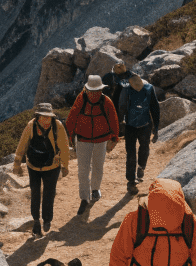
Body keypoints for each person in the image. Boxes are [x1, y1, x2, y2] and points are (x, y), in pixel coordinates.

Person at [65, 74, 119, 218]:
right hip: (83, 140)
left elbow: (114, 119)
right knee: (83, 170)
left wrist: (114, 136)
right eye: (92, 91)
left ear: (101, 90)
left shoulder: (106, 101)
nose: (95, 94)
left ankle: (95, 189)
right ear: (87, 90)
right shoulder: (81, 100)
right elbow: (71, 118)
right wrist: (71, 135)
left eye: (97, 91)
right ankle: (84, 197)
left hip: (101, 140)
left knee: (98, 166)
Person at [13, 102, 70, 236]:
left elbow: (64, 147)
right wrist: (17, 164)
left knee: (49, 193)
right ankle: (37, 221)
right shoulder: (31, 125)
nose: (46, 120)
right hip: (33, 167)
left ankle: (46, 220)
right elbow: (22, 145)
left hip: (52, 166)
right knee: (35, 193)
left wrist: (65, 166)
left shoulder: (57, 126)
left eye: (48, 117)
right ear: (37, 117)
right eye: (43, 117)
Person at [118, 71, 160, 195]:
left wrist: (156, 128)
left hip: (145, 126)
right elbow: (122, 106)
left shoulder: (149, 89)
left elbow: (155, 108)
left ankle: (141, 167)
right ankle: (131, 182)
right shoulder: (126, 90)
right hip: (130, 127)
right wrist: (121, 123)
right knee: (130, 154)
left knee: (144, 149)